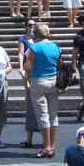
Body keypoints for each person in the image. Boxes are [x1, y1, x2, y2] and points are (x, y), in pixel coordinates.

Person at [26, 23, 60, 158]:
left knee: (42, 114)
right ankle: (53, 145)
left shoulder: (34, 47)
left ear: (36, 34)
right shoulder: (56, 46)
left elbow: (28, 67)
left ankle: (46, 146)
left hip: (39, 80)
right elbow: (59, 64)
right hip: (54, 80)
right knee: (53, 114)